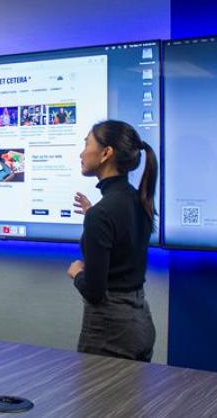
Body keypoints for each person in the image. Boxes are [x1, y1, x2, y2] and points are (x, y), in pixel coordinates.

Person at [66, 120, 158, 361]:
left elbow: (94, 292)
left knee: (99, 400)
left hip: (110, 330)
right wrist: (92, 214)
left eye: (87, 144)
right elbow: (123, 243)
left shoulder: (103, 213)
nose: (81, 153)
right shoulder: (137, 200)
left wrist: (77, 273)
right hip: (139, 321)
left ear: (106, 153)